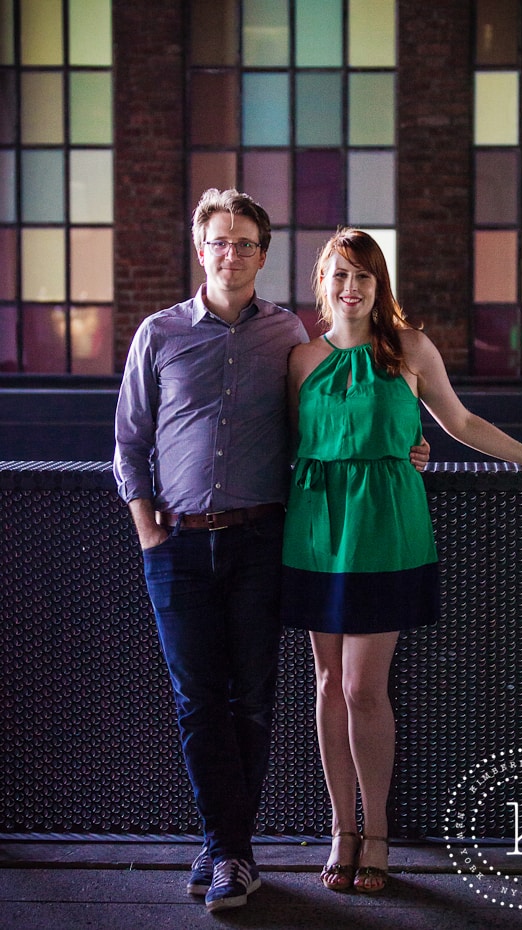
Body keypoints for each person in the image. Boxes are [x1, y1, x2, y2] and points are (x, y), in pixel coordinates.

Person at [113, 190, 430, 913]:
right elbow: (129, 441)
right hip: (177, 545)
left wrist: (405, 440)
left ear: (263, 254)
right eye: (220, 241)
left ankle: (233, 852)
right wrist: (146, 527)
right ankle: (225, 848)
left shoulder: (287, 334)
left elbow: (327, 420)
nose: (233, 254)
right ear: (202, 250)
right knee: (197, 701)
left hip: (264, 539)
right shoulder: (158, 334)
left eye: (246, 243)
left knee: (253, 699)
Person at [280, 227, 522, 896]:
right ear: (323, 283)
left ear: (380, 285)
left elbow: (461, 423)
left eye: (364, 276)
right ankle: (342, 829)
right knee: (324, 685)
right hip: (316, 529)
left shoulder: (410, 349)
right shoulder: (300, 359)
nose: (351, 287)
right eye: (340, 275)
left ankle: (378, 833)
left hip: (385, 529)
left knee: (361, 688)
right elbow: (295, 442)